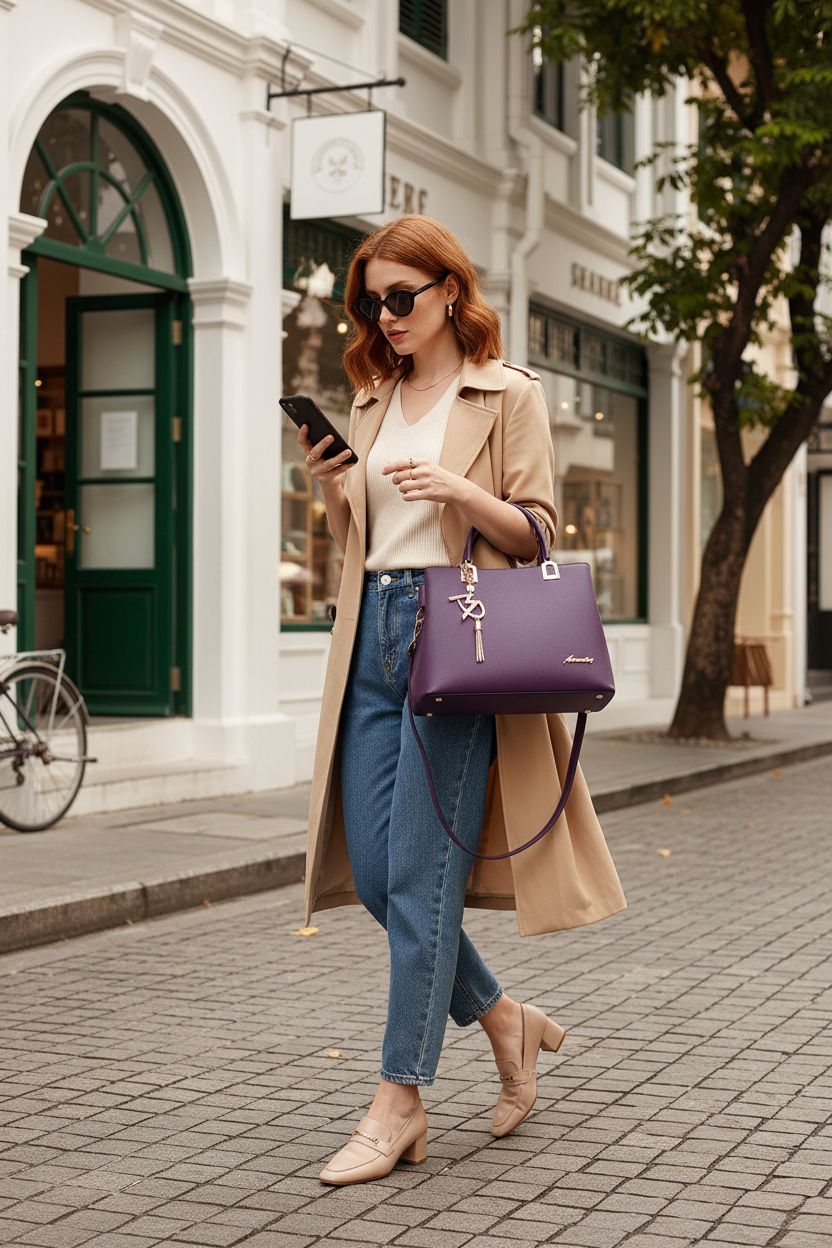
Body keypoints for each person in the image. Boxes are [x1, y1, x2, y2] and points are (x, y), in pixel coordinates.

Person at [297, 216, 626, 1186]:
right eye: (372, 301)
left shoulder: (506, 394)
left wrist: (454, 489)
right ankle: (504, 1019)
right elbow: (358, 536)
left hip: (457, 636)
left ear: (449, 291)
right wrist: (331, 489)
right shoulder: (368, 399)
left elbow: (535, 534)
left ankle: (398, 1099)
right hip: (370, 641)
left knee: (420, 873)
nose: (386, 316)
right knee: (372, 876)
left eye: (402, 296)